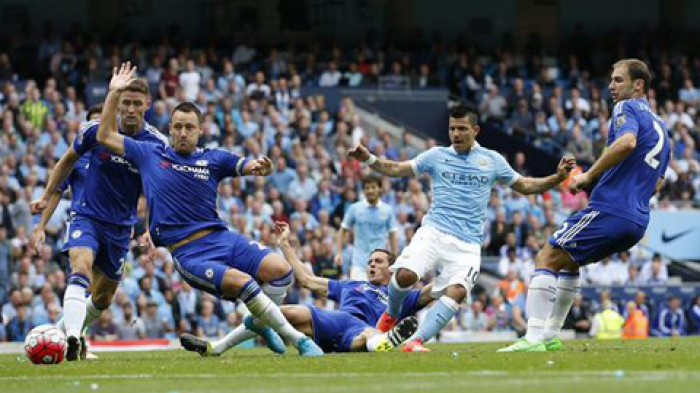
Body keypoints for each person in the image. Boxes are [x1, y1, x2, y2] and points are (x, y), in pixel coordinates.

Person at [96, 63, 323, 357]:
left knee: (281, 271)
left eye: (189, 127)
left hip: (222, 239)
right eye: (177, 127)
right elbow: (104, 136)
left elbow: (249, 165)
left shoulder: (214, 159)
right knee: (246, 284)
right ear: (169, 129)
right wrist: (114, 93)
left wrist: (261, 168)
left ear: (201, 130)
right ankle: (299, 341)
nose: (182, 133)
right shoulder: (149, 153)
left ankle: (264, 323)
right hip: (189, 252)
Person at [349, 104, 575, 352]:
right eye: (452, 128)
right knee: (405, 276)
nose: (456, 134)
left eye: (462, 129)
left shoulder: (492, 160)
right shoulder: (436, 156)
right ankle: (390, 317)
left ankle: (416, 341)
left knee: (457, 292)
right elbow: (396, 169)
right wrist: (369, 159)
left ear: (475, 130)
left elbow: (526, 185)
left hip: (468, 243)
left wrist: (558, 178)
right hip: (434, 231)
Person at [499, 58, 671, 352]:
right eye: (611, 80)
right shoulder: (662, 128)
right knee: (569, 263)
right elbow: (658, 183)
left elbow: (627, 142)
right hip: (638, 220)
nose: (611, 86)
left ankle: (532, 338)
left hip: (611, 209)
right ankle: (551, 336)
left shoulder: (626, 109)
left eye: (618, 80)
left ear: (638, 85)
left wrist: (590, 175)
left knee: (547, 256)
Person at [31, 78, 168, 361]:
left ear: (147, 105)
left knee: (103, 298)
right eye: (125, 103)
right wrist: (46, 196)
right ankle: (71, 338)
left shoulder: (157, 143)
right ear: (117, 103)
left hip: (120, 227)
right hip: (87, 216)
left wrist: (150, 230)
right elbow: (66, 160)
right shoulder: (97, 131)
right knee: (79, 269)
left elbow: (159, 190)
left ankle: (59, 334)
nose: (130, 109)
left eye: (135, 103)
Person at [181, 221, 425, 355]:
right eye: (370, 261)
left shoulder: (402, 297)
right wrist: (285, 245)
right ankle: (216, 348)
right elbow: (307, 280)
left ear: (392, 269)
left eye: (378, 261)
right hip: (331, 320)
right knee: (279, 312)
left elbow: (436, 292)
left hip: (361, 330)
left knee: (367, 337)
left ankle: (383, 342)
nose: (372, 264)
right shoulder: (352, 285)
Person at [335, 174, 399, 280]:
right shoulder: (354, 208)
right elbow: (342, 230)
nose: (370, 191)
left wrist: (395, 258)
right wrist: (339, 253)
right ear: (363, 191)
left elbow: (393, 234)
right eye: (367, 188)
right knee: (359, 294)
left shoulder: (388, 210)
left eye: (373, 187)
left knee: (377, 295)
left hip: (380, 264)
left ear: (380, 189)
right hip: (359, 263)